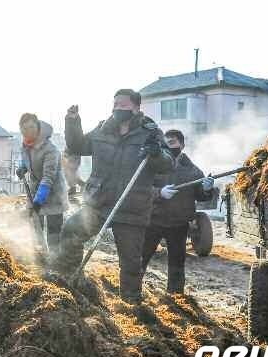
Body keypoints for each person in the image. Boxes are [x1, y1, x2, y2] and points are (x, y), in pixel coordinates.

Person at [50, 89, 175, 304]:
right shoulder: (102, 130)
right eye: (115, 104)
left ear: (136, 108)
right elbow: (77, 145)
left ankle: (130, 303)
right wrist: (72, 122)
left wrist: (156, 153)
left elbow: (167, 164)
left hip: (131, 207)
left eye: (123, 105)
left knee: (130, 262)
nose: (118, 108)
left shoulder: (150, 133)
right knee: (71, 230)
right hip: (99, 202)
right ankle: (68, 279)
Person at [140, 129, 215, 295]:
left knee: (176, 265)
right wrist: (159, 192)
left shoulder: (193, 171)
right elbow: (141, 189)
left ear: (182, 144)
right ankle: (132, 291)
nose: (169, 146)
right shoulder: (154, 165)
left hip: (178, 224)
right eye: (166, 143)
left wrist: (206, 188)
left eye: (173, 142)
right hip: (153, 220)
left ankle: (175, 297)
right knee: (141, 259)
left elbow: (201, 197)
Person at [15, 114, 68, 253]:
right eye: (24, 128)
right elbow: (25, 158)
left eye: (31, 127)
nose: (28, 131)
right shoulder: (26, 144)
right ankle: (40, 255)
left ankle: (55, 259)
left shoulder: (50, 150)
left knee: (53, 231)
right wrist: (22, 167)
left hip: (53, 194)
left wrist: (38, 201)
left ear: (38, 127)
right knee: (36, 226)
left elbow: (48, 178)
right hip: (35, 191)